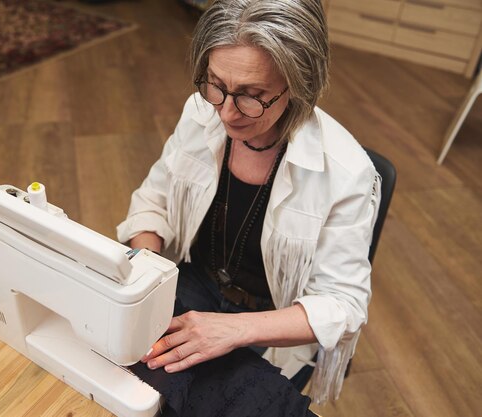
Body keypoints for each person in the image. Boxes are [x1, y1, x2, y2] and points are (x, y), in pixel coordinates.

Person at [117, 0, 381, 404]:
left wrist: (235, 330)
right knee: (119, 371)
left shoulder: (345, 173)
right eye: (216, 84)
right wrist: (148, 269)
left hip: (269, 322)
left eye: (251, 96)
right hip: (194, 284)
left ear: (298, 85)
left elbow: (342, 306)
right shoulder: (201, 111)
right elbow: (154, 200)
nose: (225, 112)